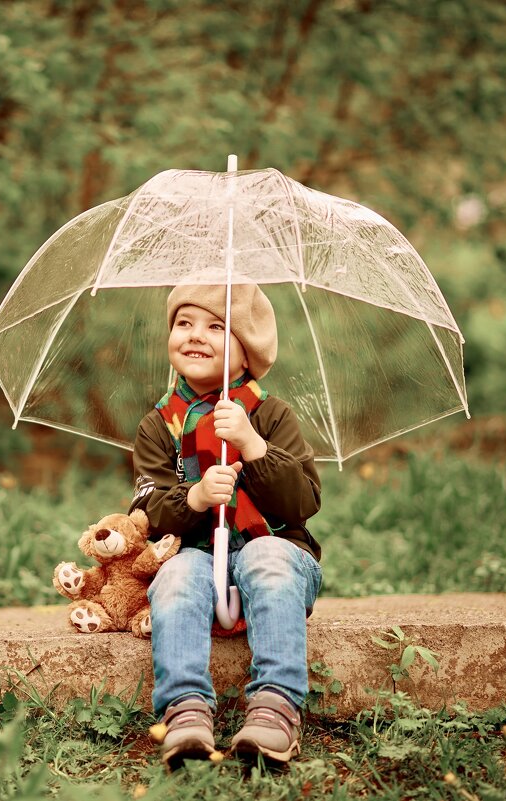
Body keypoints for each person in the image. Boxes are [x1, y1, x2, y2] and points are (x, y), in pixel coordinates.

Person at [129, 282, 323, 769]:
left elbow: (303, 502)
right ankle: (186, 709)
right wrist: (193, 497)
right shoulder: (159, 426)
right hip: (197, 555)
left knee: (267, 558)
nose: (195, 335)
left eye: (217, 326)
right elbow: (147, 509)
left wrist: (252, 445)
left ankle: (276, 706)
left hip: (275, 546)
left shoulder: (271, 415)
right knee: (174, 576)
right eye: (184, 323)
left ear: (247, 351)